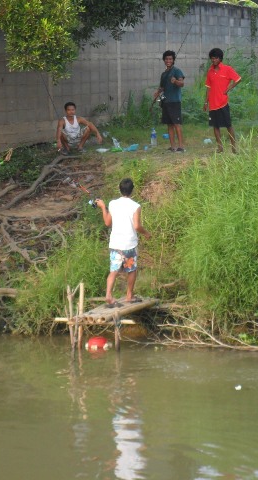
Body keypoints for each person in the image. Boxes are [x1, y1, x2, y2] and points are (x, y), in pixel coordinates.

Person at [95, 178, 151, 306]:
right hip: (129, 245)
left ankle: (108, 295)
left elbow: (107, 223)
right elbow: (137, 226)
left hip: (115, 244)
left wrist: (103, 207)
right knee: (131, 269)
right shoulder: (135, 206)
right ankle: (129, 296)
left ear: (119, 189)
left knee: (113, 270)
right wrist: (146, 233)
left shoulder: (113, 204)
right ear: (132, 190)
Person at [203, 48, 242, 154]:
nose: (213, 60)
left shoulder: (227, 69)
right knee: (215, 126)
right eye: (212, 58)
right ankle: (220, 147)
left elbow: (238, 79)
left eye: (215, 58)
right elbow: (208, 88)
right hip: (212, 104)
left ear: (220, 58)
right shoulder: (210, 71)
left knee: (228, 125)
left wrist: (229, 88)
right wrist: (206, 102)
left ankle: (234, 147)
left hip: (223, 103)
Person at [152, 50, 186, 152]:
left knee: (176, 124)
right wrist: (157, 93)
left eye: (170, 59)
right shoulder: (164, 74)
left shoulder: (177, 71)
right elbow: (162, 87)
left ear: (173, 60)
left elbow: (182, 83)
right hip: (166, 102)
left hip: (175, 101)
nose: (168, 60)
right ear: (164, 60)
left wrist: (175, 81)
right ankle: (173, 147)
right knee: (169, 124)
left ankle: (181, 147)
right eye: (166, 59)